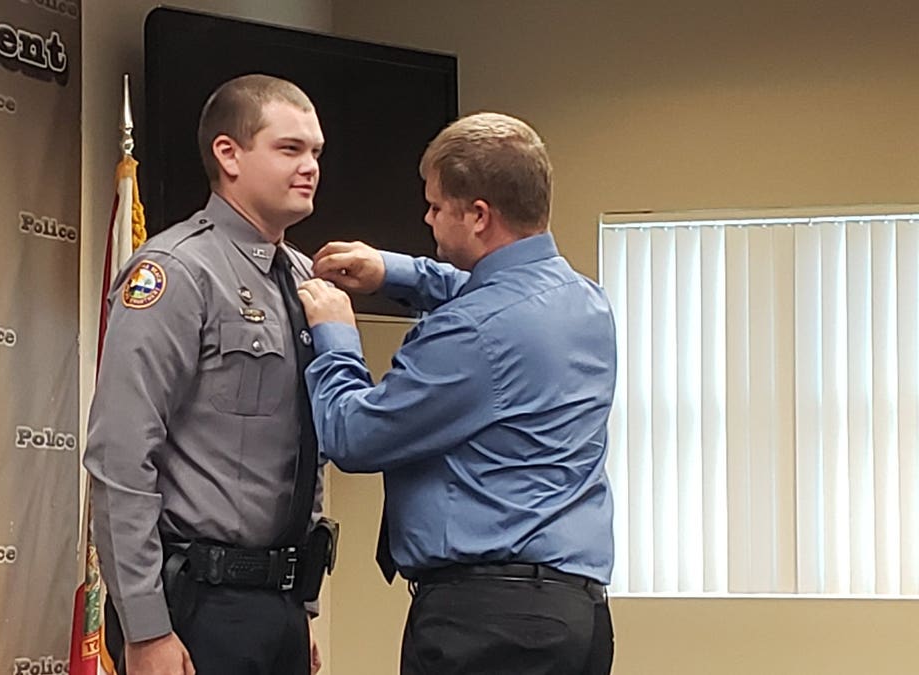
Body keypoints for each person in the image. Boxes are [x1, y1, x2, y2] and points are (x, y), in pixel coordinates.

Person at [297, 112, 616, 674]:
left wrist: (337, 334)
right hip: (573, 616)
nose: (426, 217)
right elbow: (488, 290)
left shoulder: (472, 331)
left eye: (437, 206)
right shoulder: (583, 300)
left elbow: (353, 436)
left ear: (478, 216)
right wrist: (391, 271)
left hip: (488, 628)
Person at [84, 74, 334, 675]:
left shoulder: (303, 278)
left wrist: (296, 606)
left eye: (316, 153)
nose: (310, 168)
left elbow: (302, 450)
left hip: (275, 604)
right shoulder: (175, 272)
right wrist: (145, 628)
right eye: (289, 149)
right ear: (228, 154)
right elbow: (120, 456)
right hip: (195, 605)